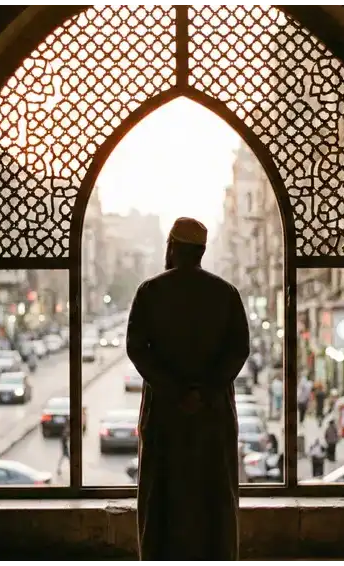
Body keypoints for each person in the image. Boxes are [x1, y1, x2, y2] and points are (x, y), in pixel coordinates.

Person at [126, 217, 249, 564]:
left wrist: (175, 391)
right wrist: (204, 392)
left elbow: (137, 348)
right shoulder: (226, 293)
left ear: (172, 248)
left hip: (165, 415)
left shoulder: (150, 292)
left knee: (161, 498)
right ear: (201, 252)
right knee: (215, 498)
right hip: (213, 416)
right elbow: (238, 350)